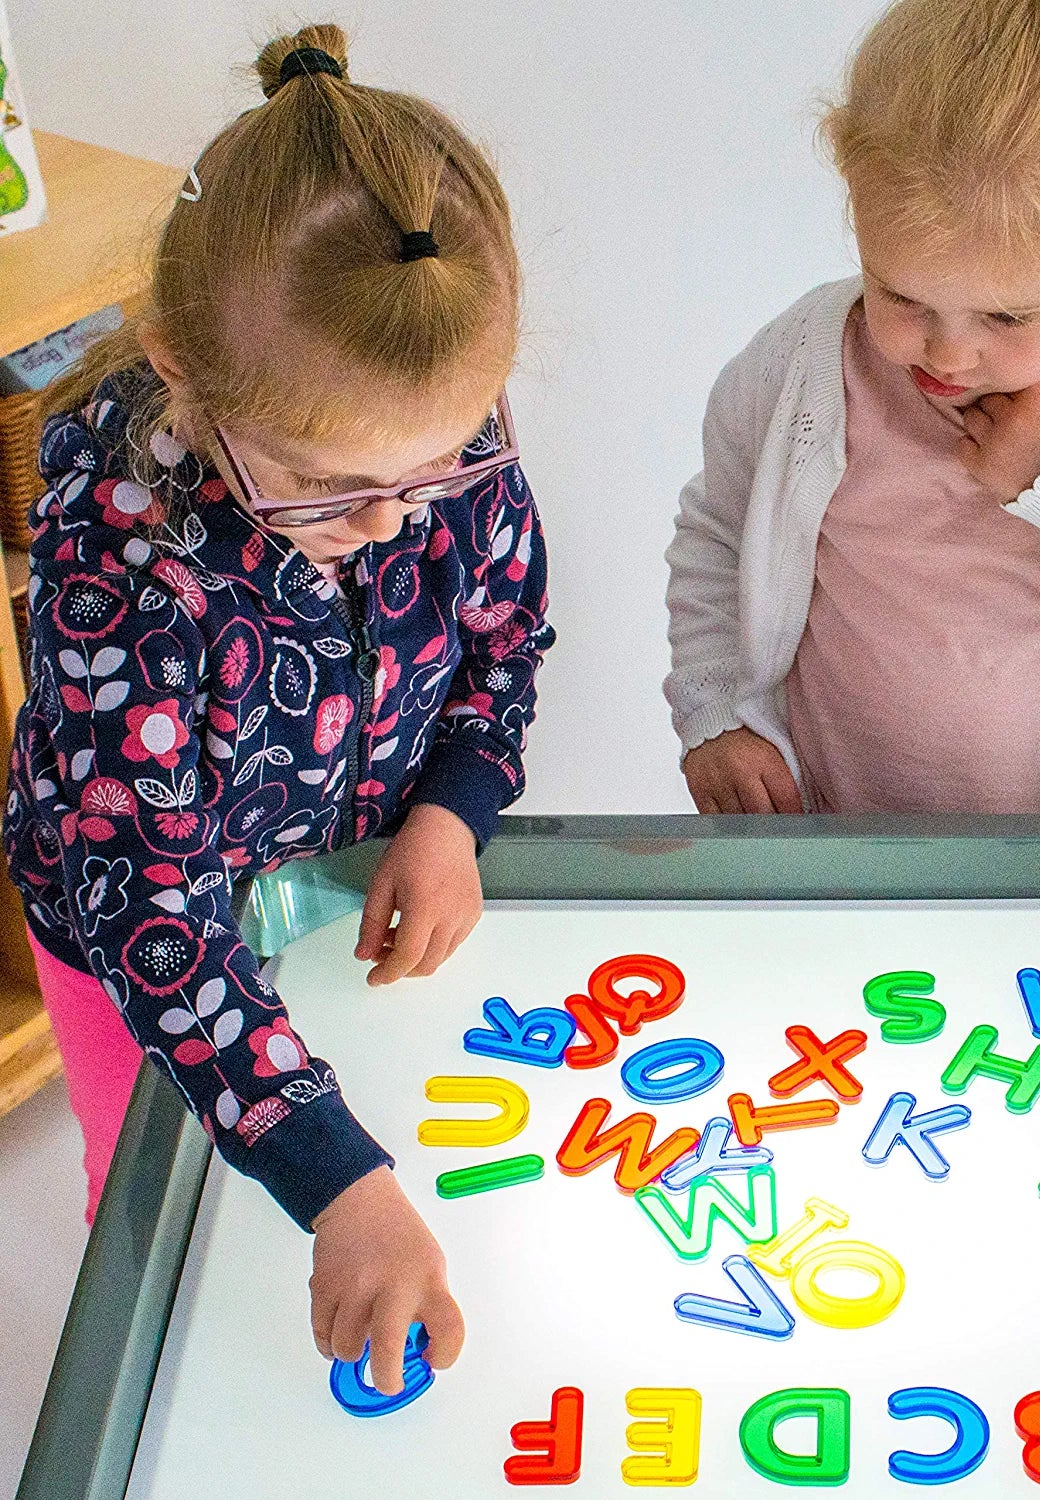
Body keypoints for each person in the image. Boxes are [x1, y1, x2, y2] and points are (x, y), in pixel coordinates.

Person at [3, 24, 553, 1395]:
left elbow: (505, 642)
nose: (384, 521)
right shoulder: (119, 559)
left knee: (348, 1159)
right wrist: (332, 1175)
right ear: (177, 367)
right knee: (155, 1205)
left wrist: (452, 809)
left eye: (430, 469)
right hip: (132, 935)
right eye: (320, 482)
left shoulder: (448, 454)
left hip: (334, 885)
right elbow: (146, 902)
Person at [665, 0, 1040, 818]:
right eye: (901, 294)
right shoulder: (796, 364)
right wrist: (712, 715)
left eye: (1008, 317)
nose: (947, 355)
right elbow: (715, 532)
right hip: (826, 845)